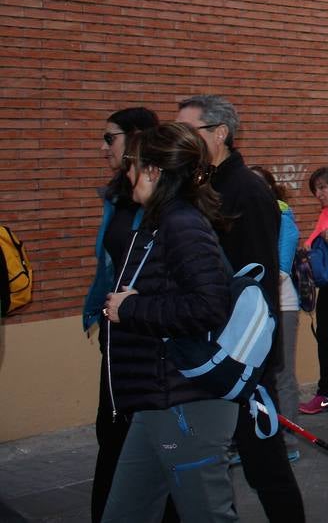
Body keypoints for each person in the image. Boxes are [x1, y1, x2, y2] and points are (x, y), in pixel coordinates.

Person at [176, 95, 305, 520]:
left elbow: (254, 278)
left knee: (262, 463)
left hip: (240, 350)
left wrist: (243, 354)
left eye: (187, 130)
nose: (179, 138)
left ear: (219, 134)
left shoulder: (245, 189)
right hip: (217, 344)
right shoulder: (201, 183)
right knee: (222, 458)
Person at [99, 123, 235, 521]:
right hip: (156, 400)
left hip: (184, 405)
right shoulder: (160, 222)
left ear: (155, 171)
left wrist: (131, 310)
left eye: (132, 164)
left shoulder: (182, 224)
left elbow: (209, 306)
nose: (127, 173)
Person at [87, 106, 169, 523]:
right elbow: (108, 266)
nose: (103, 148)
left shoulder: (166, 207)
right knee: (114, 433)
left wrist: (137, 306)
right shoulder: (118, 197)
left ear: (135, 139)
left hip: (149, 338)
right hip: (117, 333)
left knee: (147, 440)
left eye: (110, 138)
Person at [251, 165, 302, 464]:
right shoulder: (243, 220)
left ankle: (288, 440)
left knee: (282, 374)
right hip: (254, 309)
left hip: (281, 306)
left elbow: (280, 270)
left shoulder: (282, 216)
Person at [299, 166, 328, 415]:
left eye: (324, 187)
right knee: (324, 335)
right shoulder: (325, 213)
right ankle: (327, 395)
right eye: (316, 189)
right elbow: (314, 243)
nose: (319, 193)